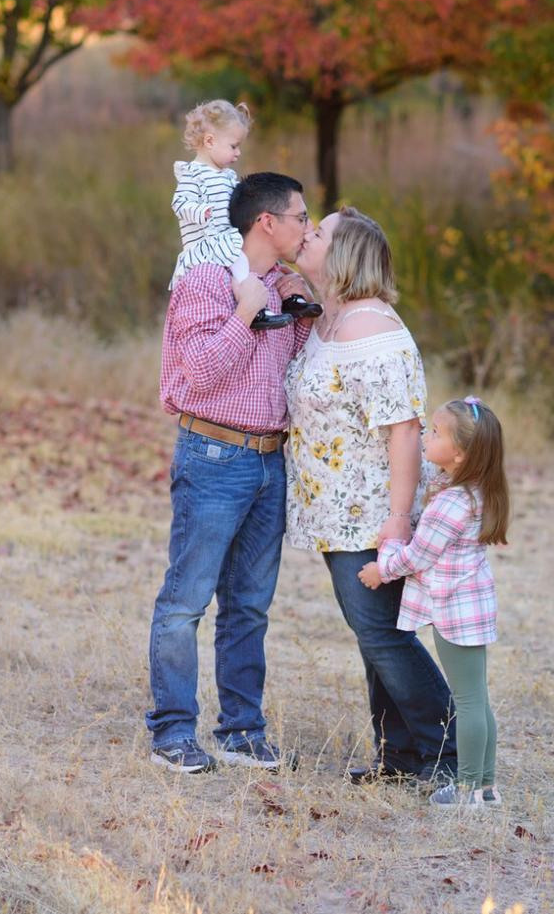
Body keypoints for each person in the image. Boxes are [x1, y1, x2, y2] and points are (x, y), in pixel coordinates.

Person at [146, 171, 317, 774]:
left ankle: (241, 731)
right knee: (186, 601)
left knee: (249, 606)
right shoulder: (208, 283)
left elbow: (300, 372)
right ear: (267, 222)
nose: (308, 226)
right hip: (215, 456)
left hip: (272, 460)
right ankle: (172, 733)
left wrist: (300, 306)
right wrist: (246, 313)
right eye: (300, 216)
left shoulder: (286, 287)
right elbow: (200, 376)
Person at [285, 207, 458, 786]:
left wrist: (398, 520)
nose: (307, 236)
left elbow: (404, 430)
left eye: (319, 233)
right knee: (377, 637)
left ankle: (447, 757)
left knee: (384, 636)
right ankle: (400, 759)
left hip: (371, 516)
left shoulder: (375, 330)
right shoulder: (332, 319)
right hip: (338, 514)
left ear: (345, 255)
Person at [359, 397, 510, 808]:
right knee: (477, 698)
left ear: (460, 454)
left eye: (436, 433)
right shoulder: (474, 494)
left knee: (468, 702)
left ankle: (467, 791)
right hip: (472, 607)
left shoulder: (450, 504)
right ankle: (486, 787)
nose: (426, 435)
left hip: (455, 613)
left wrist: (383, 561)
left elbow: (417, 557)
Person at [169, 100, 320, 329]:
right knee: (243, 268)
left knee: (270, 264)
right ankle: (255, 310)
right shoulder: (192, 174)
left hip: (228, 237)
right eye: (233, 146)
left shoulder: (228, 176)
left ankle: (292, 299)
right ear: (210, 141)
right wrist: (201, 211)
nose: (238, 153)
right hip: (208, 243)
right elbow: (179, 203)